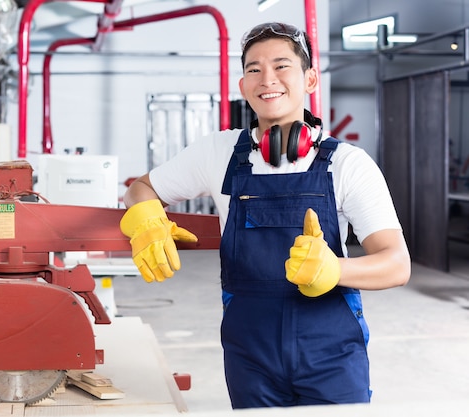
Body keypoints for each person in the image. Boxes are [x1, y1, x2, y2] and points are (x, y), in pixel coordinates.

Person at [119, 21, 411, 409]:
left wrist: (335, 270)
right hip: (249, 354)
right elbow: (142, 187)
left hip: (330, 354)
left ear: (309, 80)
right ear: (243, 86)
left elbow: (396, 264)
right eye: (253, 69)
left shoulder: (346, 163)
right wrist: (147, 219)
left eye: (281, 65)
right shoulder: (218, 153)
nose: (266, 78)